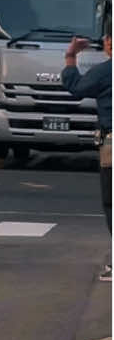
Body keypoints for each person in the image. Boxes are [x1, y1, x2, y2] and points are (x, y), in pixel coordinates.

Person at [63, 17, 112, 279]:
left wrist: (71, 55)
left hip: (112, 141)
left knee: (111, 201)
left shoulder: (105, 72)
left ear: (109, 44)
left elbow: (76, 88)